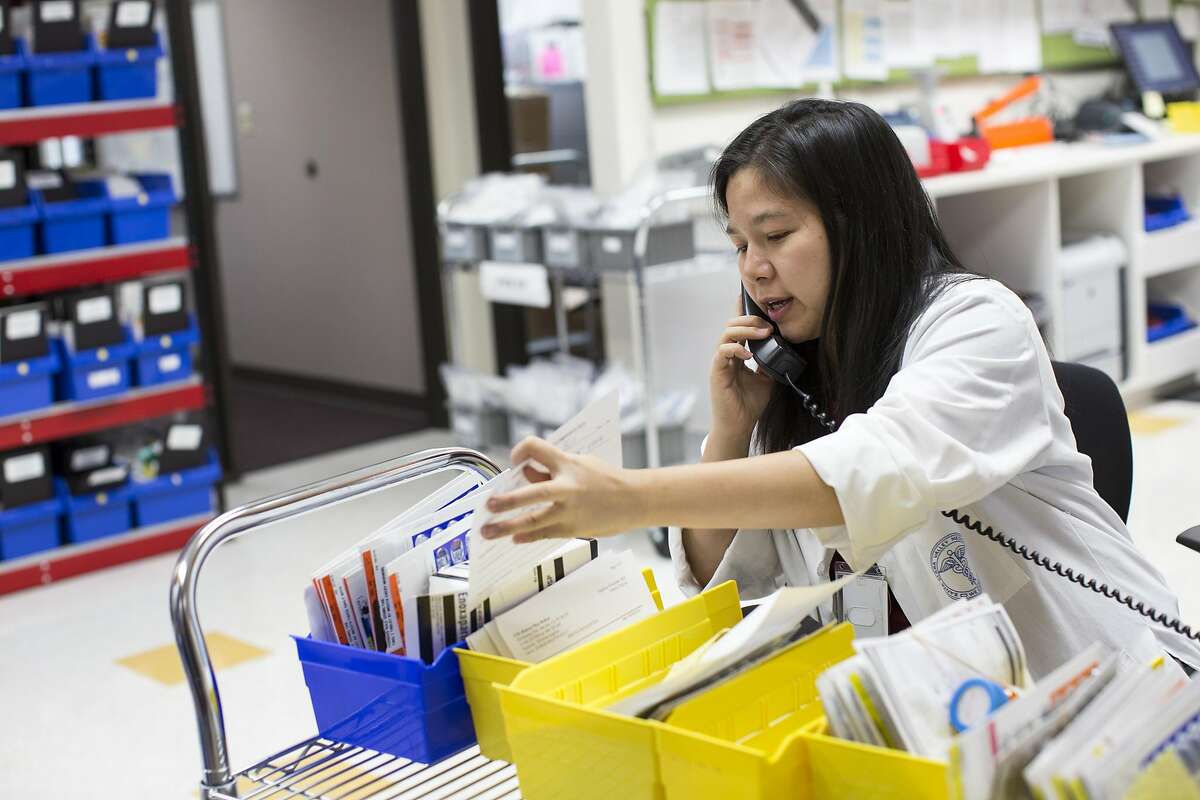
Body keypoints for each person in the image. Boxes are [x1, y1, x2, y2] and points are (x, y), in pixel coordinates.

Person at [480, 98, 1200, 678]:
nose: (754, 270)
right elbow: (727, 583)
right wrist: (730, 431)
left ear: (858, 228)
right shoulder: (795, 370)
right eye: (739, 244)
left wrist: (631, 496)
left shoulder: (977, 321)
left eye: (775, 234)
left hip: (1100, 695)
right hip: (928, 712)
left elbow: (870, 472)